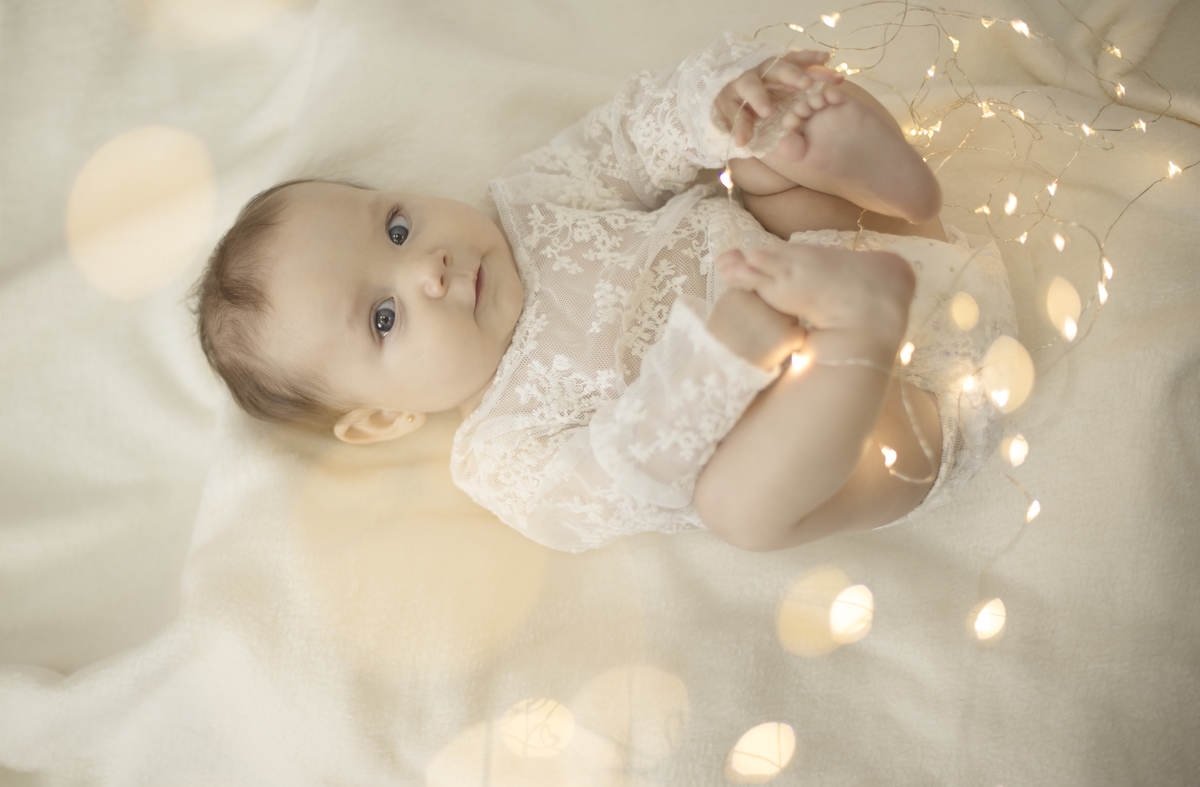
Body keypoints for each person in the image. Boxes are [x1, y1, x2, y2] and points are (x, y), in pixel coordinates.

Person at [193, 33, 1015, 553]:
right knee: (738, 507)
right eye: (383, 316)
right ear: (382, 417)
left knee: (755, 153)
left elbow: (628, 136)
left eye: (397, 227)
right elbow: (620, 476)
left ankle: (899, 192)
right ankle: (853, 331)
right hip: (893, 419)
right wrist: (714, 363)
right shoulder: (500, 455)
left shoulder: (530, 198)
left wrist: (719, 104)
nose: (426, 269)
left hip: (847, 251)